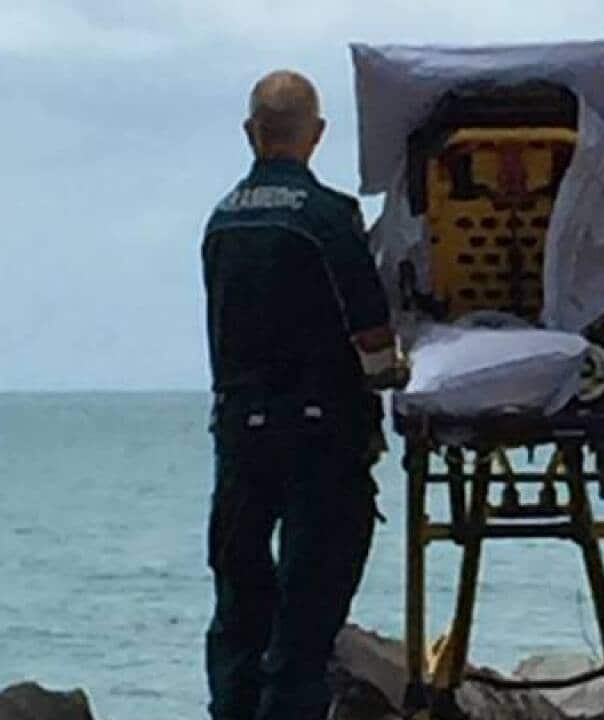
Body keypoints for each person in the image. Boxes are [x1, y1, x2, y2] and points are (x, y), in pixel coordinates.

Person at [201, 70, 398, 720]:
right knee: (308, 609)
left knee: (239, 604)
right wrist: (391, 373)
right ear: (316, 136)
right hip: (318, 436)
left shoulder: (221, 220)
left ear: (251, 132)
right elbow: (372, 333)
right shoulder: (326, 217)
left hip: (238, 432)